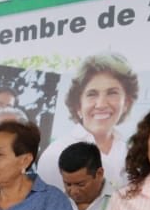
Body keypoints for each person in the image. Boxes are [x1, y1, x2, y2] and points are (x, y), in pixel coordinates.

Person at [39, 53, 140, 191]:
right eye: (92, 94)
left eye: (112, 93)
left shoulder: (131, 152)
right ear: (78, 105)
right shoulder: (55, 154)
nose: (101, 104)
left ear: (126, 102)